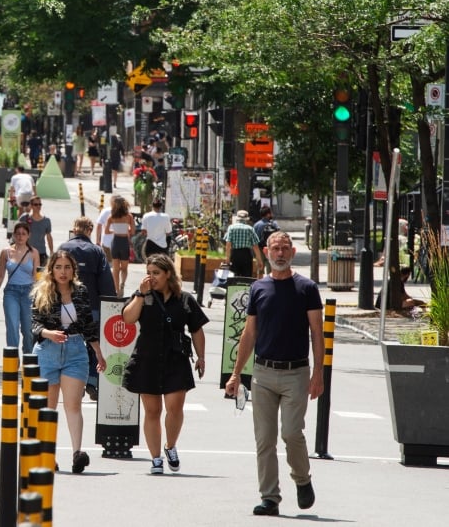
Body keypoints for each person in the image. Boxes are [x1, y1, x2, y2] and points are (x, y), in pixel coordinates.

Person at [224, 232, 323, 516]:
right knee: (264, 439)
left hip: (296, 373)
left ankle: (302, 480)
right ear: (266, 252)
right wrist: (235, 374)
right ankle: (270, 497)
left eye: (284, 249)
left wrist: (319, 374)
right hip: (263, 373)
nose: (279, 254)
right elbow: (249, 332)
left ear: (292, 252)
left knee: (292, 433)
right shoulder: (258, 288)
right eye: (275, 249)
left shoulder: (307, 288)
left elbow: (317, 332)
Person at [121, 254, 208, 474]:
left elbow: (197, 329)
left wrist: (201, 356)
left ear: (168, 274)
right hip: (147, 358)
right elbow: (128, 318)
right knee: (152, 411)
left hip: (175, 358)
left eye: (156, 273)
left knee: (175, 408)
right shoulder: (142, 296)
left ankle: (170, 446)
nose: (151, 277)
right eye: (148, 273)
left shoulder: (185, 299)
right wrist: (141, 294)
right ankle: (156, 458)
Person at [30, 250, 106, 474]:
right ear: (51, 270)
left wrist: (99, 354)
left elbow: (88, 326)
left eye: (67, 267)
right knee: (49, 408)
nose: (63, 272)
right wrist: (48, 333)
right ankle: (48, 456)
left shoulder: (80, 292)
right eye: (58, 267)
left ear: (73, 270)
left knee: (73, 406)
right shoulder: (42, 292)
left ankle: (77, 454)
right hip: (47, 350)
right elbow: (34, 324)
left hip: (75, 351)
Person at [58, 217, 116, 401]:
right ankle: (91, 381)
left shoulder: (63, 249)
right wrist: (111, 304)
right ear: (90, 230)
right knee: (93, 345)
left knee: (69, 343)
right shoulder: (97, 252)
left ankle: (75, 382)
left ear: (74, 229)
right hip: (92, 307)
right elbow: (106, 282)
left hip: (67, 305)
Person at [0, 222, 40, 353]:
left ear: (28, 235)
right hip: (11, 292)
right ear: (13, 235)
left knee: (28, 329)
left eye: (23, 234)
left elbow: (36, 277)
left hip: (28, 292)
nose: (20, 237)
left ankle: (28, 358)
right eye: (18, 234)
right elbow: (0, 275)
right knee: (12, 326)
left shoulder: (33, 253)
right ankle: (12, 359)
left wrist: (39, 296)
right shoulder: (5, 252)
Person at [105, 195, 135, 294]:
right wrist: (126, 230)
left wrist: (115, 230)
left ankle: (117, 290)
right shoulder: (129, 216)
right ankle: (123, 284)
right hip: (124, 242)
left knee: (116, 269)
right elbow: (133, 231)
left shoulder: (111, 217)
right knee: (124, 268)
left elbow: (106, 231)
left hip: (115, 242)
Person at [224, 210, 265, 278]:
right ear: (246, 219)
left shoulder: (231, 228)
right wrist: (259, 260)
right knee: (246, 277)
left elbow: (228, 244)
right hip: (246, 254)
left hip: (235, 254)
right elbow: (255, 246)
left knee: (234, 276)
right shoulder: (250, 229)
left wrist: (227, 258)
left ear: (237, 218)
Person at [19, 196, 53, 267]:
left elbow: (49, 236)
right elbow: (17, 233)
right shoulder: (24, 218)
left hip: (41, 254)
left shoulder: (46, 220)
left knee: (40, 276)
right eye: (36, 204)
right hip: (26, 253)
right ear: (31, 206)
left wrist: (51, 251)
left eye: (40, 204)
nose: (38, 206)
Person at [253, 206, 280, 273]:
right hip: (271, 249)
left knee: (260, 270)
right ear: (268, 214)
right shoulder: (274, 224)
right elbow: (279, 234)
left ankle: (260, 282)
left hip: (260, 249)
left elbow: (253, 239)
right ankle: (270, 283)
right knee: (271, 270)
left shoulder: (257, 225)